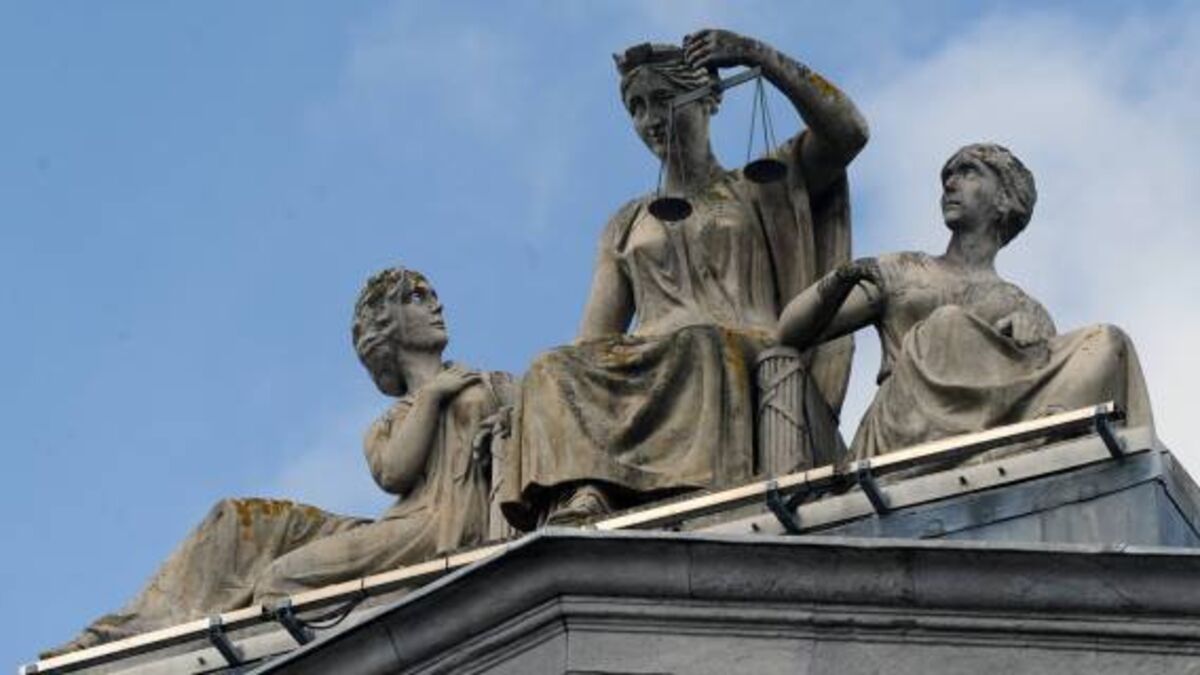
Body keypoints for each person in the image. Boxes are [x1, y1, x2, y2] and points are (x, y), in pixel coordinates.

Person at [502, 29, 869, 529]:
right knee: (547, 367)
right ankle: (590, 490)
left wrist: (758, 56)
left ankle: (696, 492)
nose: (649, 119)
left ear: (710, 98)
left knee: (700, 343)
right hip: (648, 357)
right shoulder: (627, 222)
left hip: (733, 347)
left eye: (663, 99)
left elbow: (848, 132)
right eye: (636, 107)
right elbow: (594, 336)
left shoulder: (761, 183)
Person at [44, 267, 511, 656]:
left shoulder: (493, 384)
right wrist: (432, 396)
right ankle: (124, 635)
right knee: (246, 532)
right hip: (408, 525)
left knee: (280, 579)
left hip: (440, 530)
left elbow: (532, 431)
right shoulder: (388, 423)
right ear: (387, 327)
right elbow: (395, 472)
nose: (436, 305)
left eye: (431, 295)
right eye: (417, 297)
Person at [777, 143, 1151, 462]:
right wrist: (841, 278)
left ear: (1005, 199)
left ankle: (1020, 447)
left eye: (968, 172)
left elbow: (1036, 382)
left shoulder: (1022, 306)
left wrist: (1031, 340)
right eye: (947, 176)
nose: (950, 184)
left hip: (993, 431)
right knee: (948, 323)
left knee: (1107, 341)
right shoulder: (904, 270)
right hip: (904, 432)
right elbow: (790, 331)